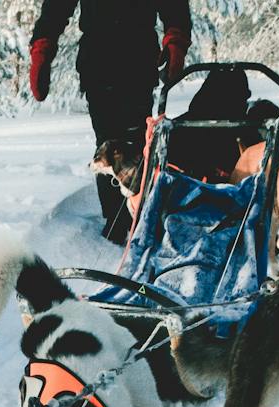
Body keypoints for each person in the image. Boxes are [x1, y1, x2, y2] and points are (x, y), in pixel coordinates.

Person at [29, 0, 192, 243]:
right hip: (99, 60)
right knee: (107, 141)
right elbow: (57, 6)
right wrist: (43, 46)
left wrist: (175, 37)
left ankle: (137, 214)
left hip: (137, 58)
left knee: (137, 142)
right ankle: (116, 220)